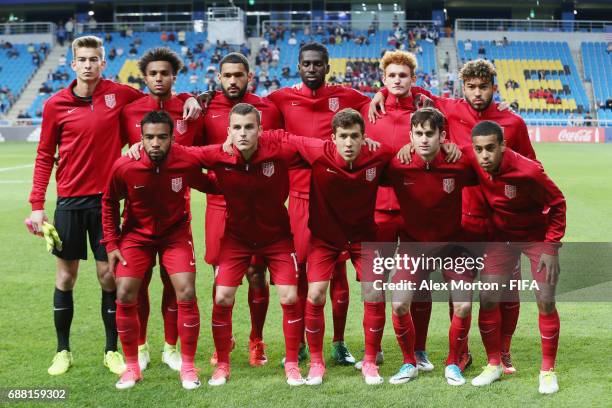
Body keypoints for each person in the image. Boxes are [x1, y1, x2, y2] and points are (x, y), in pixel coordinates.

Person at [27, 35, 201, 377]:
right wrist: (37, 204)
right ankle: (63, 350)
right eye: (83, 59)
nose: (89, 65)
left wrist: (190, 97)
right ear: (73, 63)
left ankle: (112, 351)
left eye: (95, 59)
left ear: (103, 63)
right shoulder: (54, 105)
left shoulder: (119, 95)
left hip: (108, 202)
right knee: (65, 276)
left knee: (110, 277)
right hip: (69, 202)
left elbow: (159, 98)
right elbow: (45, 154)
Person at [371, 59, 536, 373]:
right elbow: (408, 90)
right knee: (460, 292)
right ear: (463, 87)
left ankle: (504, 351)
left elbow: (529, 167)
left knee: (505, 289)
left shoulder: (513, 122)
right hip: (463, 219)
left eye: (483, 86)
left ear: (493, 87)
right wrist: (381, 92)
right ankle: (461, 353)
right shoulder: (447, 108)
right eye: (471, 87)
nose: (477, 93)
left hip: (501, 221)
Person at [181, 103, 306, 387]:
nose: (243, 133)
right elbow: (181, 155)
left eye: (249, 127)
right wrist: (141, 148)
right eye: (237, 128)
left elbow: (318, 150)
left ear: (260, 130)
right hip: (236, 240)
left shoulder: (280, 152)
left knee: (289, 297)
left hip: (277, 238)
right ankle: (222, 365)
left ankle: (292, 365)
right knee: (222, 297)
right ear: (228, 132)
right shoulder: (219, 155)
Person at [267, 42, 375, 366]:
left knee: (338, 276)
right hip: (299, 198)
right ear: (298, 67)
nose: (312, 69)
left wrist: (378, 108)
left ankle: (339, 343)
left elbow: (376, 107)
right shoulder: (280, 99)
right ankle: (299, 341)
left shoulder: (347, 97)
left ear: (327, 67)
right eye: (306, 64)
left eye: (318, 64)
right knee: (301, 275)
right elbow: (260, 120)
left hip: (335, 199)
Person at [102, 111, 218, 390]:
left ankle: (188, 367)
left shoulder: (184, 160)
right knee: (125, 291)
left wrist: (237, 180)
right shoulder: (125, 166)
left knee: (186, 291)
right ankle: (132, 368)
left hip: (175, 235)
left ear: (172, 138)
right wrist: (112, 243)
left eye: (162, 137)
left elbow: (208, 184)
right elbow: (108, 203)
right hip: (136, 237)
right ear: (140, 139)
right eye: (149, 137)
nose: (156, 143)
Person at [284, 108, 393, 386]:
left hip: (363, 238)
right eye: (343, 136)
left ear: (363, 138)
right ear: (333, 137)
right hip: (325, 239)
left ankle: (369, 361)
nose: (348, 142)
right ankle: (317, 363)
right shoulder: (318, 151)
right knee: (316, 294)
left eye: (354, 136)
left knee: (374, 291)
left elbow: (406, 156)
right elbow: (282, 136)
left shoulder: (378, 156)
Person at [120, 47, 206, 372]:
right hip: (137, 219)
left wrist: (193, 97)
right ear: (145, 77)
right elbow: (118, 157)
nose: (159, 78)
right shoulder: (129, 111)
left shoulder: (189, 111)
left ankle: (171, 347)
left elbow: (199, 156)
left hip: (176, 218)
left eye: (165, 73)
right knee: (138, 285)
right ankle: (140, 346)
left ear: (174, 76)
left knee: (175, 285)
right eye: (153, 73)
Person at [469, 120, 565, 395]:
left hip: (536, 237)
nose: (484, 155)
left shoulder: (529, 171)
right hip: (501, 238)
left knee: (545, 299)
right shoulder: (474, 159)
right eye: (479, 149)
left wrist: (551, 246)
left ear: (502, 146)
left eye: (490, 148)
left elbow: (558, 203)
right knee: (488, 297)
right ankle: (493, 364)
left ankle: (547, 372)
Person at [384, 108, 478, 387]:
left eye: (430, 134)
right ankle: (408, 362)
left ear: (442, 136)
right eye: (418, 134)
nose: (424, 139)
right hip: (413, 247)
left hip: (453, 247)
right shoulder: (397, 165)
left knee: (462, 304)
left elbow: (489, 162)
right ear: (410, 135)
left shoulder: (459, 164)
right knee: (400, 303)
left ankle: (453, 363)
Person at [202, 53, 284, 367]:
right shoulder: (206, 109)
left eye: (239, 75)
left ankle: (256, 340)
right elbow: (194, 155)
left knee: (256, 273)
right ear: (219, 78)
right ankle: (224, 339)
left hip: (257, 206)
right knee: (220, 276)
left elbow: (280, 149)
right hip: (220, 205)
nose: (233, 81)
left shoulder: (268, 109)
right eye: (227, 76)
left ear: (249, 75)